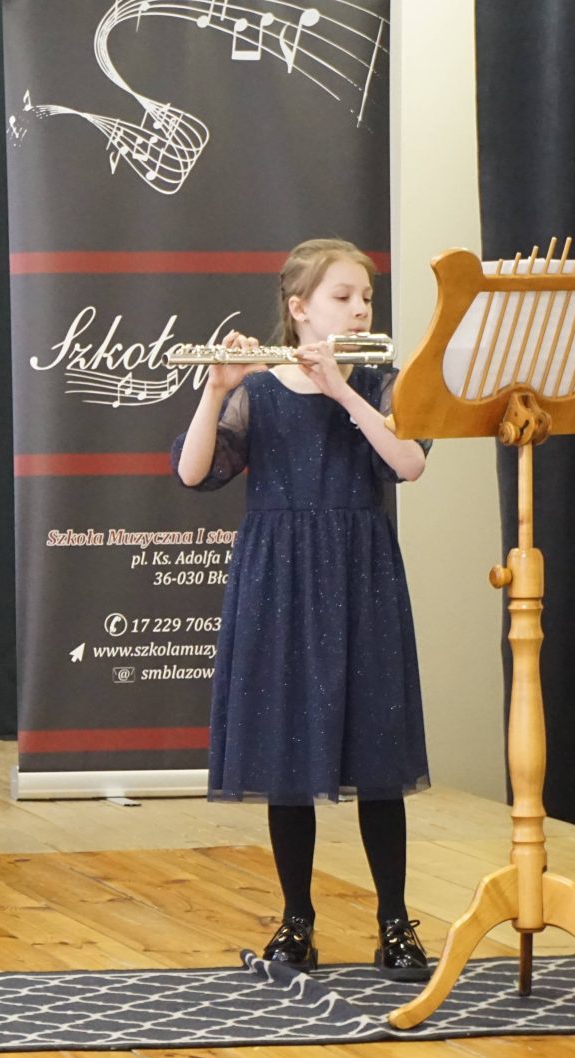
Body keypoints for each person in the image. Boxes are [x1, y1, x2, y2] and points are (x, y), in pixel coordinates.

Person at [172, 238, 434, 979]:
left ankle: (395, 923)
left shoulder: (380, 381)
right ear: (299, 309)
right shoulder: (258, 391)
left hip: (361, 574)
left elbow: (409, 462)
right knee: (286, 751)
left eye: (366, 298)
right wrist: (217, 389)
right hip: (278, 578)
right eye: (342, 297)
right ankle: (296, 922)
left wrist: (343, 391)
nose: (360, 309)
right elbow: (193, 472)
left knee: (377, 753)